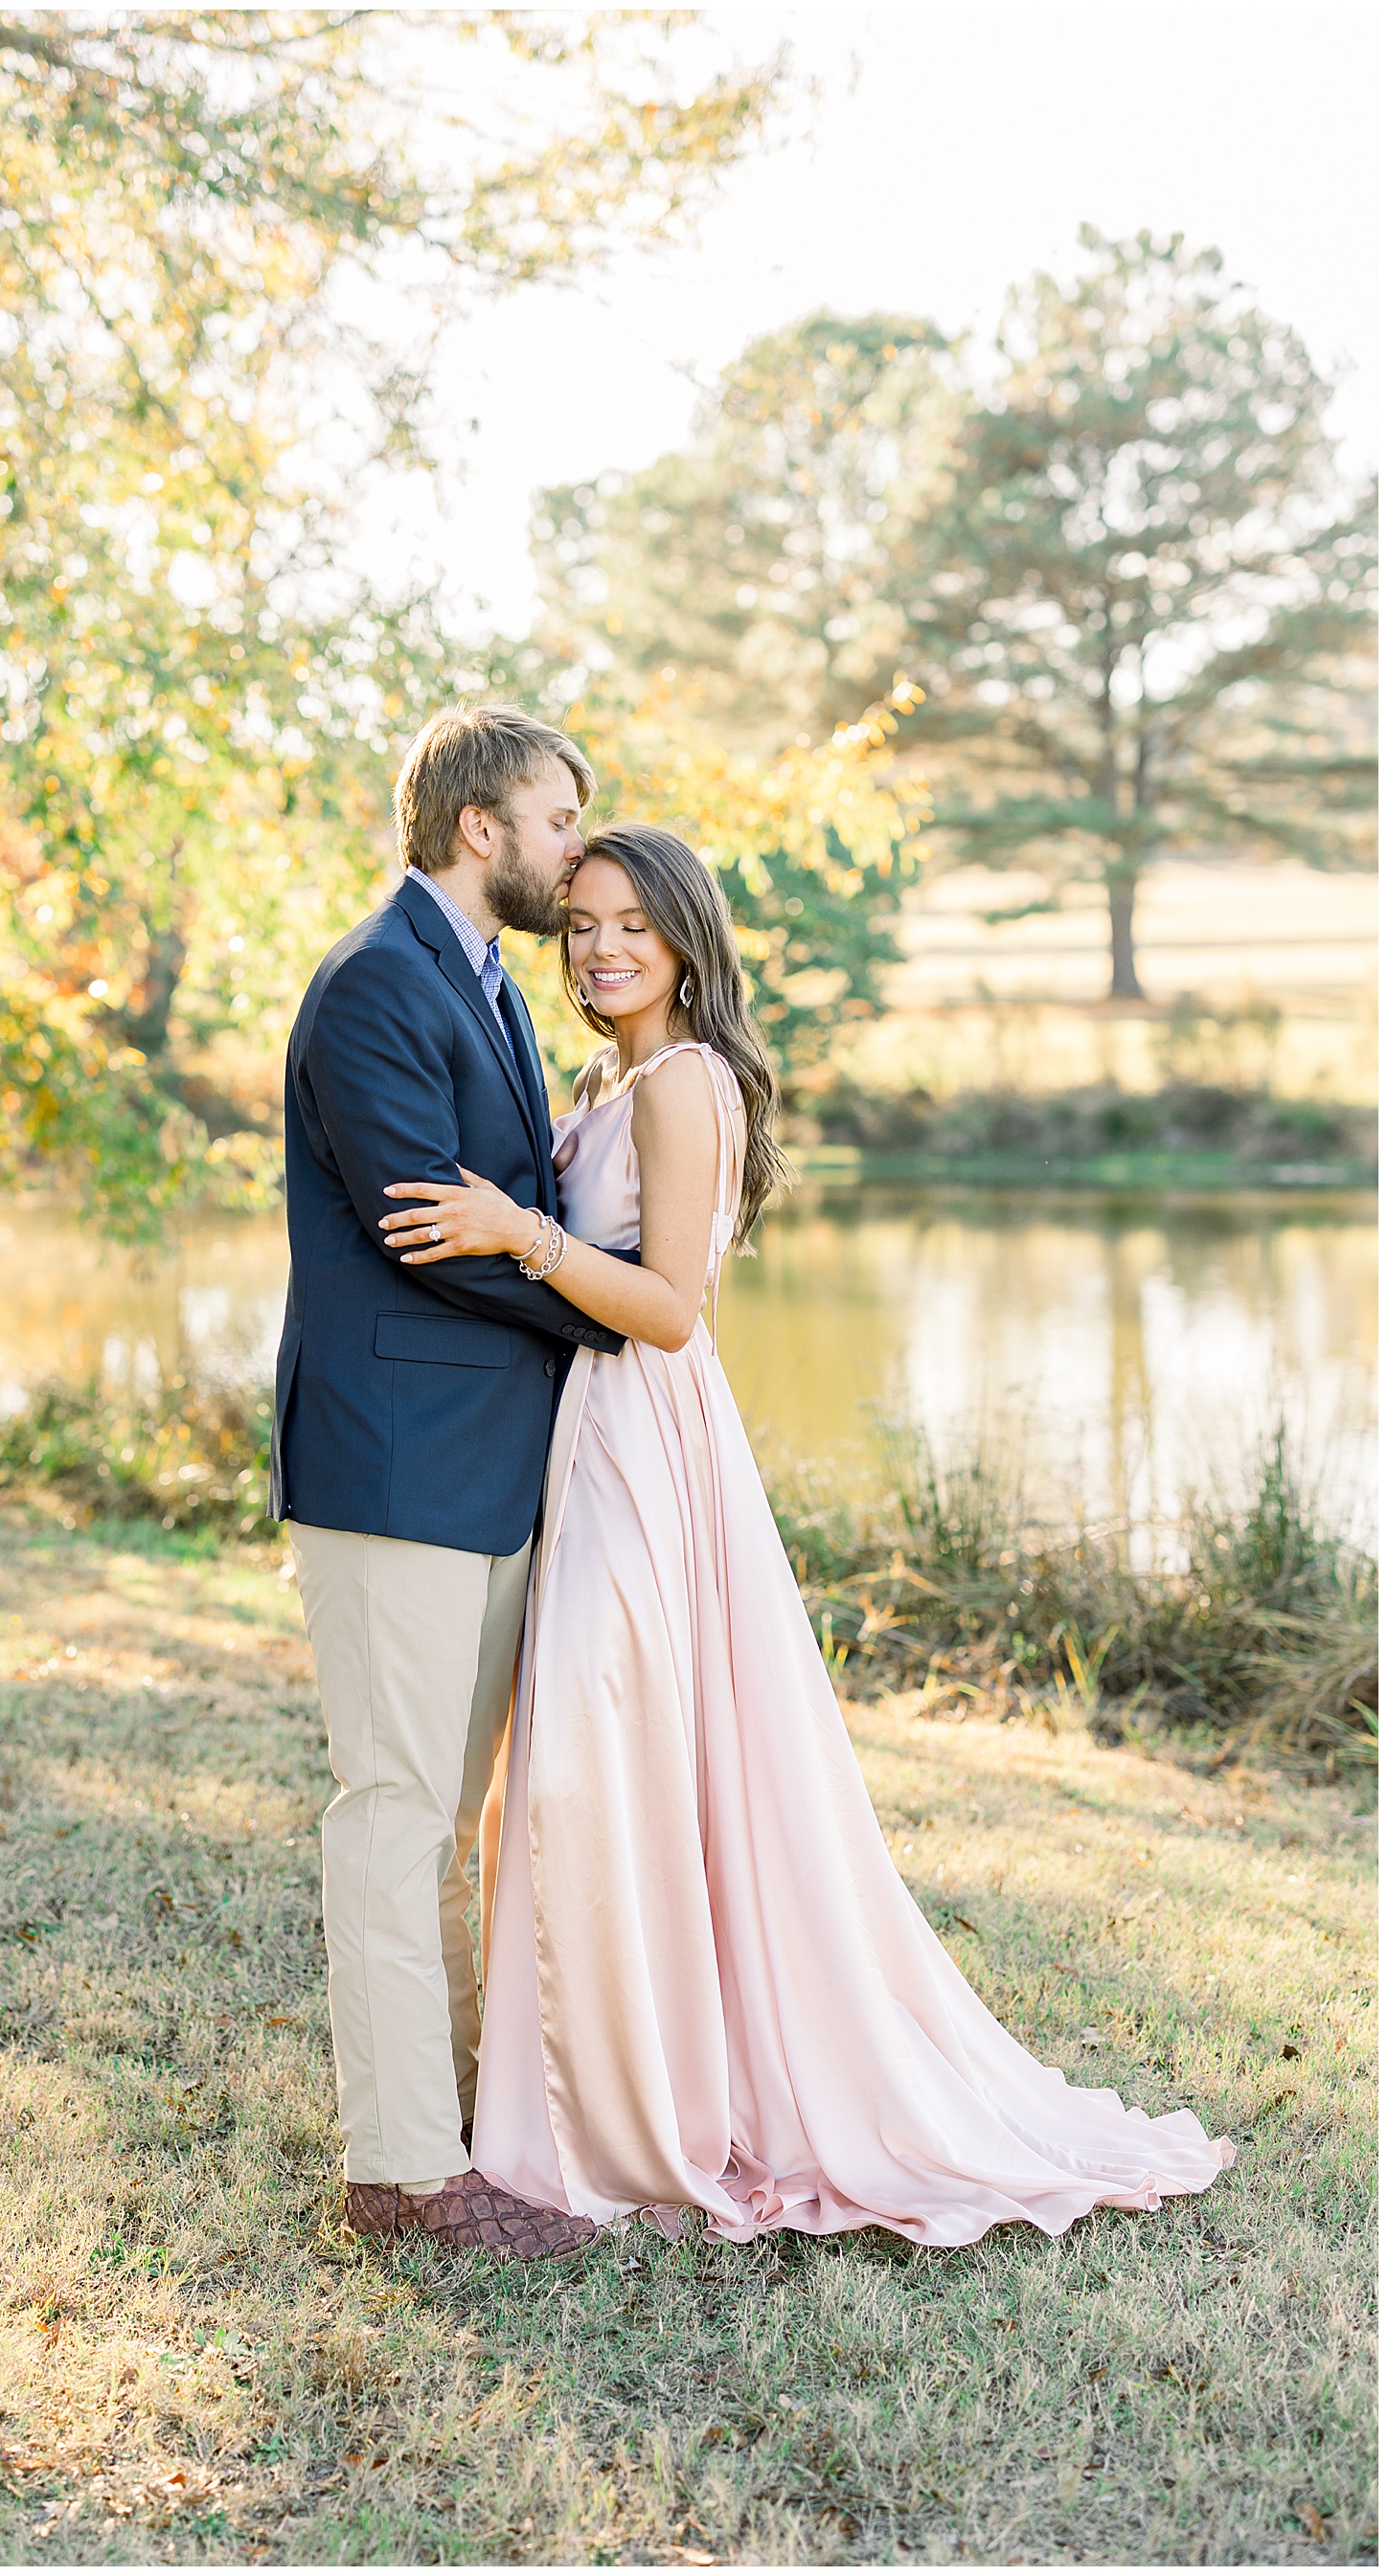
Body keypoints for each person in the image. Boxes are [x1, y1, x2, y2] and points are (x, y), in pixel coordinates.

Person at [379, 825, 1235, 2247]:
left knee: (596, 1763)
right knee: (598, 1767)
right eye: (582, 923)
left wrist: (511, 1232)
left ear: (686, 943)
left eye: (631, 928)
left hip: (648, 1436)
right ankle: (587, 2084)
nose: (600, 949)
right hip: (586, 1442)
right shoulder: (610, 1074)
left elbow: (667, 1306)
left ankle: (636, 2113)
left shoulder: (690, 1082)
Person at [271, 703, 621, 2263]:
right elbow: (436, 1226)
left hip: (484, 1468)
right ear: (479, 829)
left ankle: (472, 2125)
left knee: (462, 1815)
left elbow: (504, 1214)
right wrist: (621, 1299)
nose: (572, 849)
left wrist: (576, 1273)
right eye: (556, 822)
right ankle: (403, 2172)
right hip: (396, 1464)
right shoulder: (372, 987)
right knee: (392, 1809)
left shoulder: (486, 987)